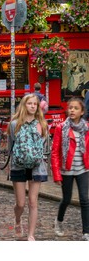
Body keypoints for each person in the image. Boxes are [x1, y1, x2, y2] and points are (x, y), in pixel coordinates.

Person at [8, 94, 48, 241]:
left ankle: (31, 234)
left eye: (35, 104)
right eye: (29, 103)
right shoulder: (14, 124)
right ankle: (18, 220)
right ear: (24, 105)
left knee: (33, 201)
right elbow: (11, 145)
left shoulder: (42, 124)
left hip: (37, 166)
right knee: (21, 203)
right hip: (18, 165)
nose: (32, 106)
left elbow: (43, 145)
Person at [51, 97, 89, 241]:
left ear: (82, 112)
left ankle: (86, 232)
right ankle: (59, 221)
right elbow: (55, 151)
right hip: (66, 170)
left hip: (83, 169)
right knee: (66, 199)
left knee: (85, 200)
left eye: (76, 108)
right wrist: (56, 174)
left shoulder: (87, 127)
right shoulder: (61, 127)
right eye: (70, 108)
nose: (72, 110)